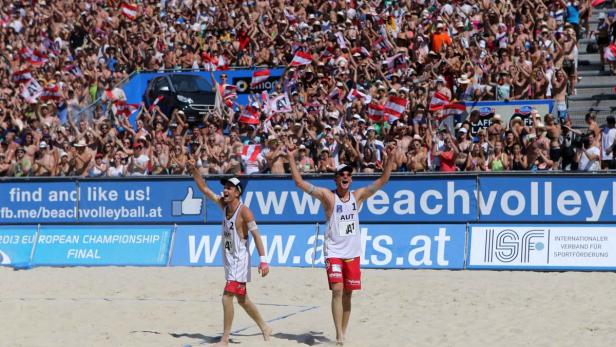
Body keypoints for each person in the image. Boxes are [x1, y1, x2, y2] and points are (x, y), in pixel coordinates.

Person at [286, 143, 398, 345]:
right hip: (333, 252)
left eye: (348, 175)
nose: (345, 177)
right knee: (337, 290)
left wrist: (390, 157)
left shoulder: (358, 196)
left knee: (348, 294)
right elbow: (298, 182)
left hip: (352, 253)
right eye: (341, 174)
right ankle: (338, 334)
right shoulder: (327, 197)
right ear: (335, 179)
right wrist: (291, 157)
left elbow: (384, 180)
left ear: (351, 179)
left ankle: (343, 331)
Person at [187, 159, 272, 346]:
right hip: (229, 259)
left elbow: (257, 236)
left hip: (240, 260)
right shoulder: (224, 205)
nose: (225, 190)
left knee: (227, 297)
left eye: (229, 188)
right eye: (224, 187)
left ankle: (225, 339)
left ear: (237, 192)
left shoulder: (245, 212)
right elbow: (204, 189)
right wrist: (194, 170)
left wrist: (263, 260)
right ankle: (265, 327)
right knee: (242, 299)